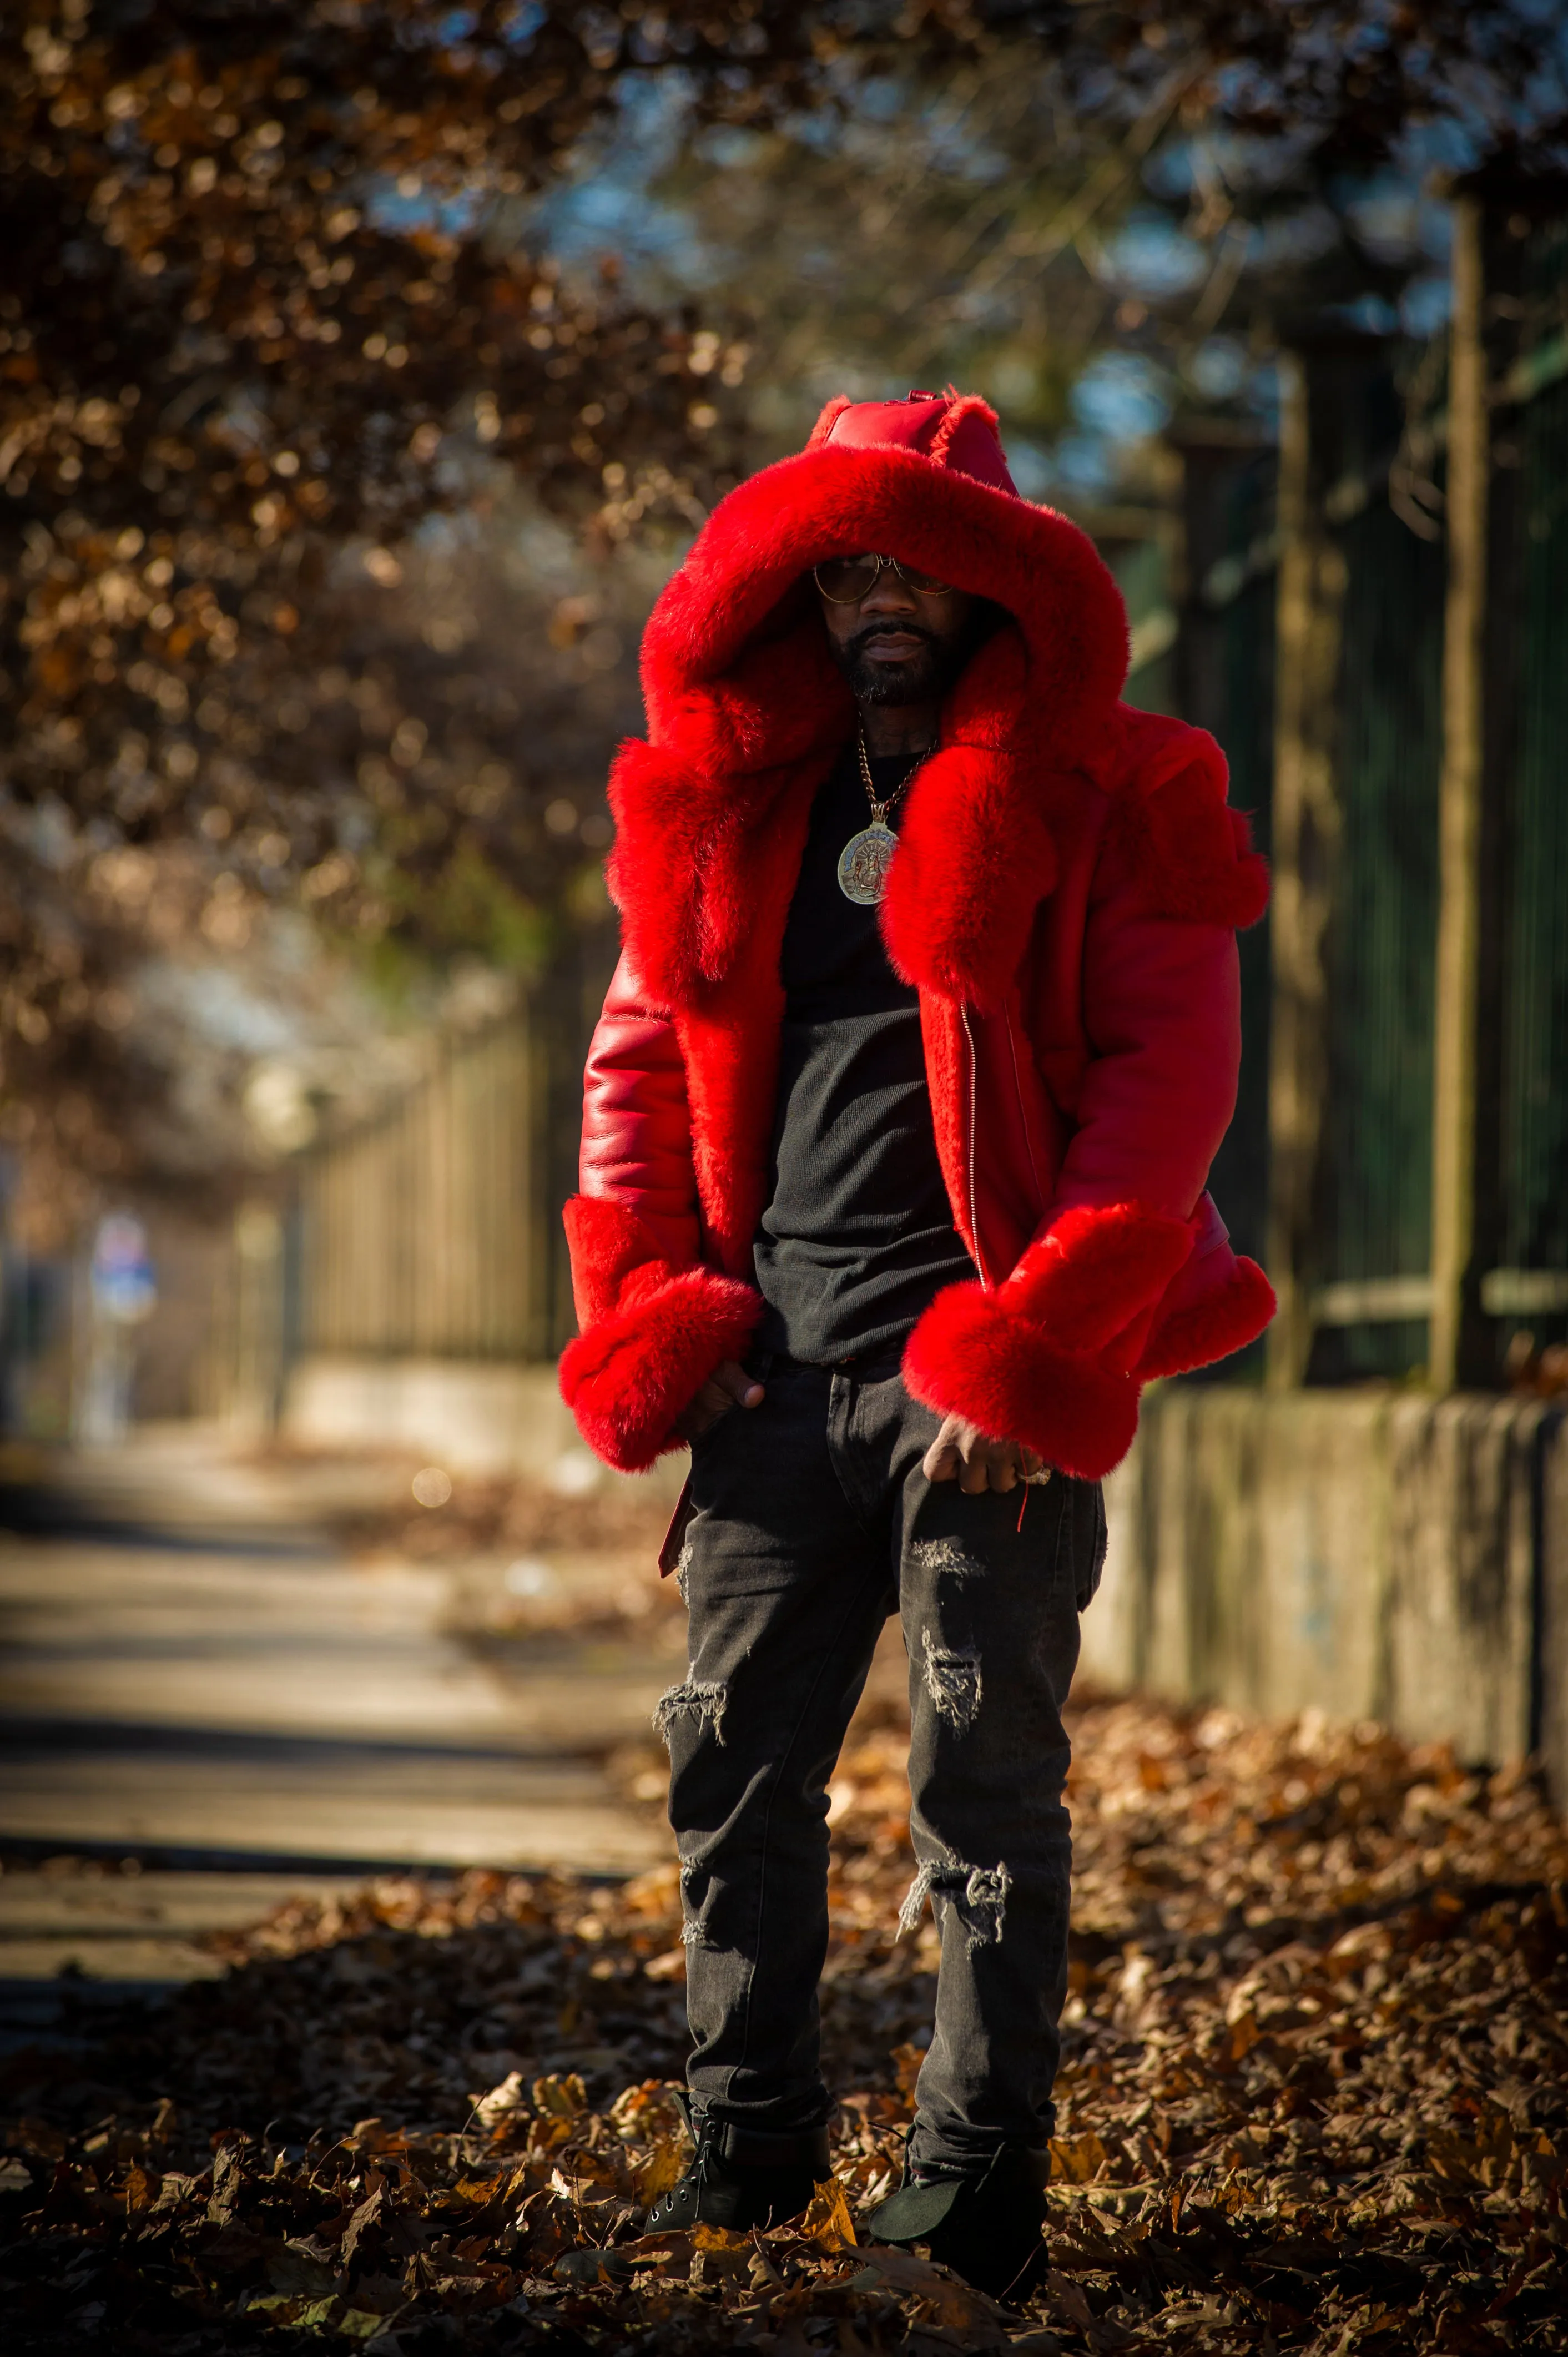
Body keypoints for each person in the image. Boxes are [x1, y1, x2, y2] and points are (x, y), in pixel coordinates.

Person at [559, 391, 1273, 2295]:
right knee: (728, 1768)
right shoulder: (733, 804)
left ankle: (971, 2188)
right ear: (795, 585)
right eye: (847, 562)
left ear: (990, 582)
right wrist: (652, 1314)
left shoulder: (1127, 788)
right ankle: (747, 2146)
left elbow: (1167, 1087)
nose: (882, 593)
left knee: (983, 1793)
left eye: (916, 564)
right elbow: (632, 1071)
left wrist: (1033, 1346)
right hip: (773, 1377)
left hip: (980, 1387)